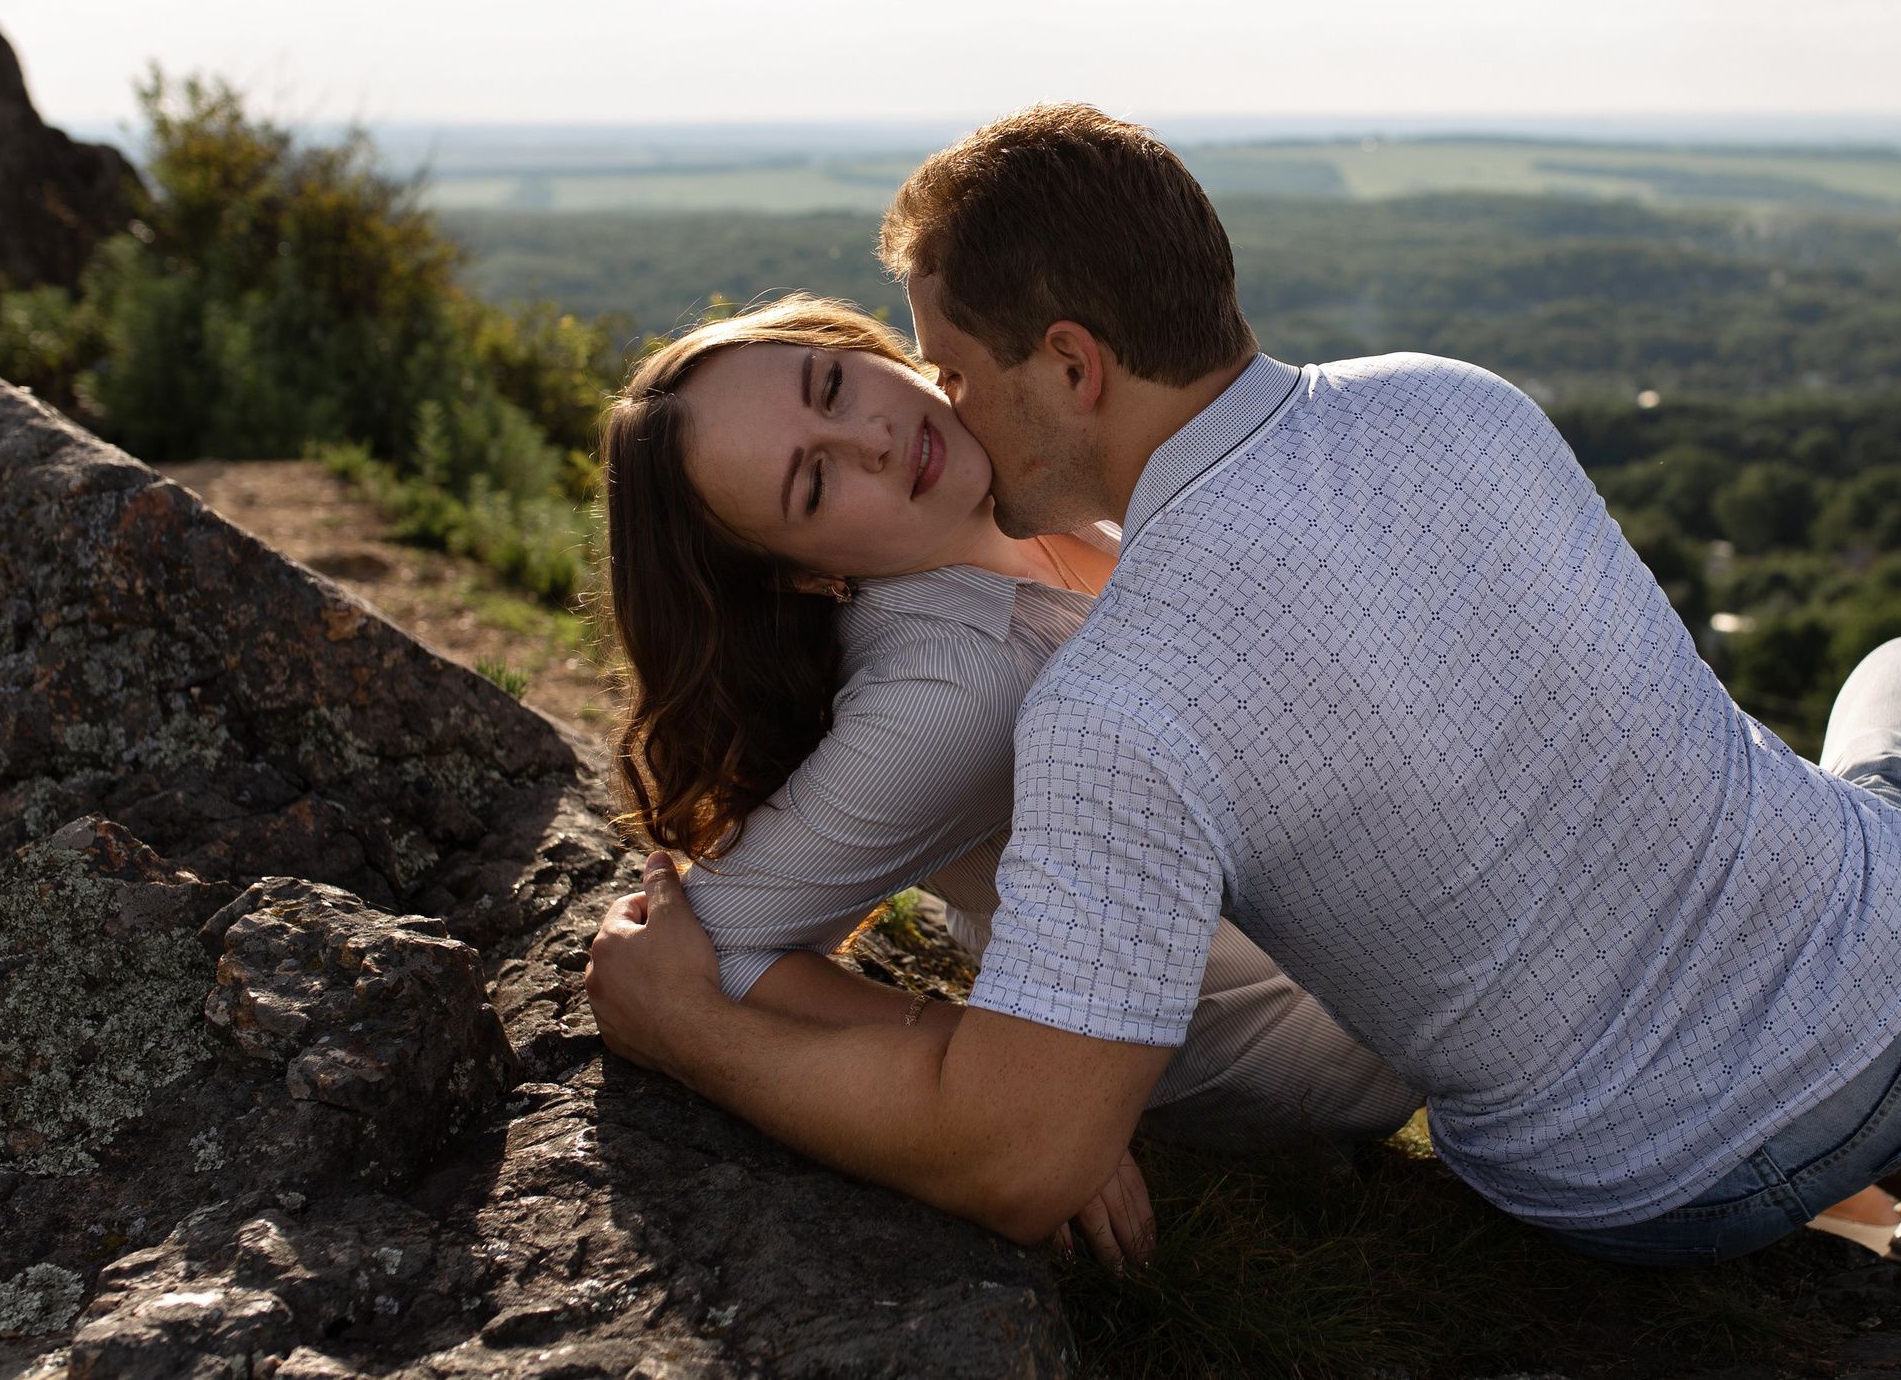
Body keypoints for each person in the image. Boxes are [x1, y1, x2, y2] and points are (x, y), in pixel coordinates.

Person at [587, 105, 1901, 1313]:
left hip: (1620, 1194)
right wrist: (704, 1002)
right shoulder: (1456, 397)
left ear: (1069, 362)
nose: (929, 406)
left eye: (945, 369)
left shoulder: (1117, 676)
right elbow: (1011, 1135)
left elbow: (1012, 1134)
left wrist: (704, 1020)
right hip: (1888, 1037)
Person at [595, 294, 1420, 1263]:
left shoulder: (1005, 466)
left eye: (831, 386)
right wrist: (987, 1061)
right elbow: (717, 947)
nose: (873, 440)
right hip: (1307, 1029)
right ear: (796, 576)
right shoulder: (955, 680)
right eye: (813, 487)